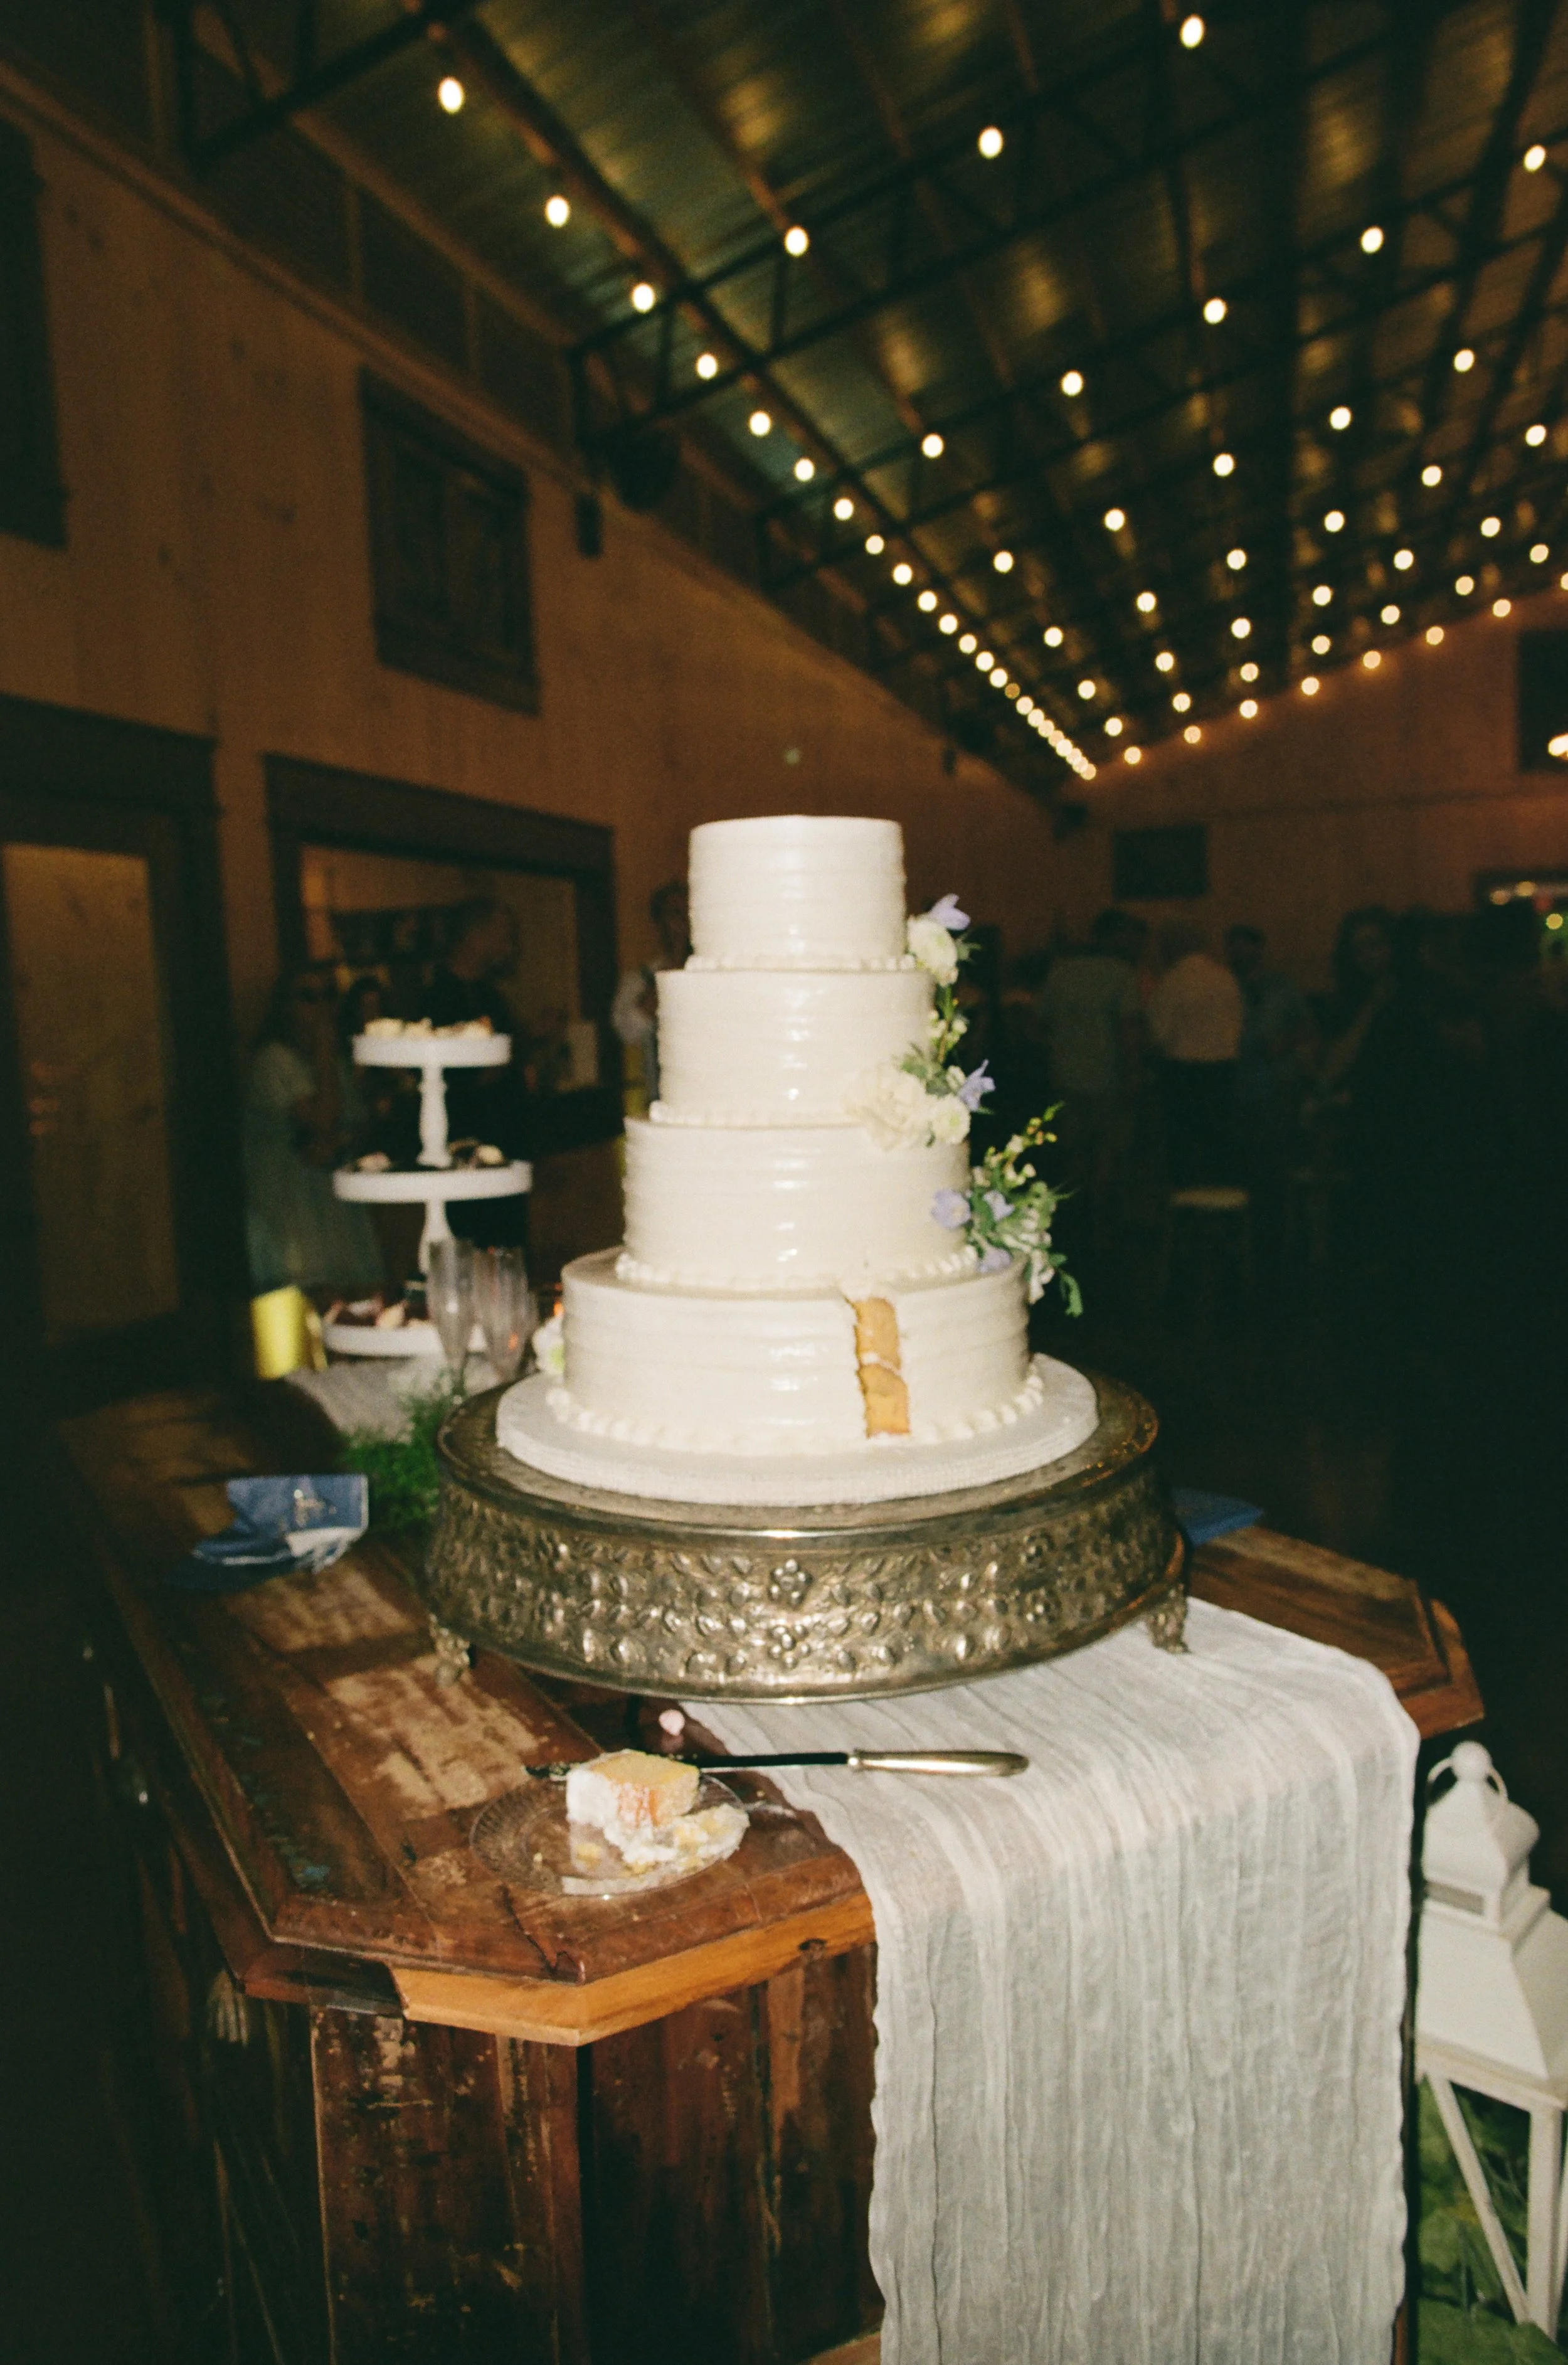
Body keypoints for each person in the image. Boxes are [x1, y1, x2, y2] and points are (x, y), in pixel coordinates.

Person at [243, 963, 382, 1299]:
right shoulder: (272, 1061)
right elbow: (322, 1121)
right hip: (290, 1219)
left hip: (336, 1214)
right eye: (308, 997)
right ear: (285, 1007)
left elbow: (357, 1127)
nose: (321, 1008)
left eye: (329, 996)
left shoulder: (331, 1065)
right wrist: (324, 1050)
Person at [422, 898, 533, 1248]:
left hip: (506, 1144)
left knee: (509, 1248)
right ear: (476, 936)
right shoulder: (437, 999)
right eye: (503, 935)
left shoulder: (492, 998)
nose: (509, 946)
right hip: (462, 1152)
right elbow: (446, 1085)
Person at [1033, 910, 1146, 1240]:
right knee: (1108, 1151)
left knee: (1075, 1151)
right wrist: (1134, 1072)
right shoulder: (1122, 975)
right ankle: (1103, 1221)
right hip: (1107, 1076)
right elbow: (1128, 1030)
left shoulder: (1061, 973)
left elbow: (1040, 1024)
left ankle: (1075, 1219)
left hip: (1066, 1074)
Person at [1147, 922, 1243, 1186]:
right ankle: (1224, 1210)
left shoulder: (1173, 981)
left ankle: (1186, 1212)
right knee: (1221, 1146)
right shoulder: (1224, 977)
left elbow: (1159, 1035)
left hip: (1183, 1073)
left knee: (1183, 1148)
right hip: (1224, 1071)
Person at [1227, 925, 1313, 1208]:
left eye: (1245, 946)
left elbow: (1307, 1030)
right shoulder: (1224, 988)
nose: (1239, 953)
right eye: (1234, 947)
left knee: (1278, 1154)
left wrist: (1283, 1044)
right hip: (1237, 1086)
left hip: (1279, 1082)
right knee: (1244, 1157)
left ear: (1258, 949)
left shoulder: (1281, 986)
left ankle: (1279, 1212)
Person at [612, 879, 692, 1105]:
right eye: (675, 914)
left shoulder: (714, 974)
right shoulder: (639, 980)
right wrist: (673, 968)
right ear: (660, 922)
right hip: (664, 1101)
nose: (683, 922)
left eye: (687, 913)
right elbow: (627, 1032)